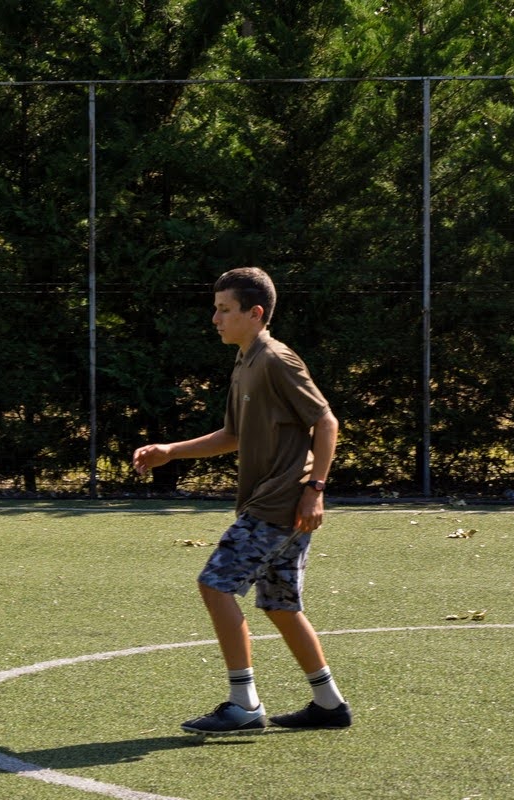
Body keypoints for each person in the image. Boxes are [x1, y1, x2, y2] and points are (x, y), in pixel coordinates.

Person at [133, 267, 350, 735]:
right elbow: (232, 436)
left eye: (224, 310)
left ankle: (243, 701)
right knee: (279, 604)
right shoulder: (245, 362)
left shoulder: (276, 359)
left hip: (279, 502)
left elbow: (326, 422)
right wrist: (171, 451)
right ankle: (329, 703)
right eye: (215, 308)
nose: (215, 318)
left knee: (215, 584)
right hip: (277, 503)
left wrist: (315, 490)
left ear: (255, 314)